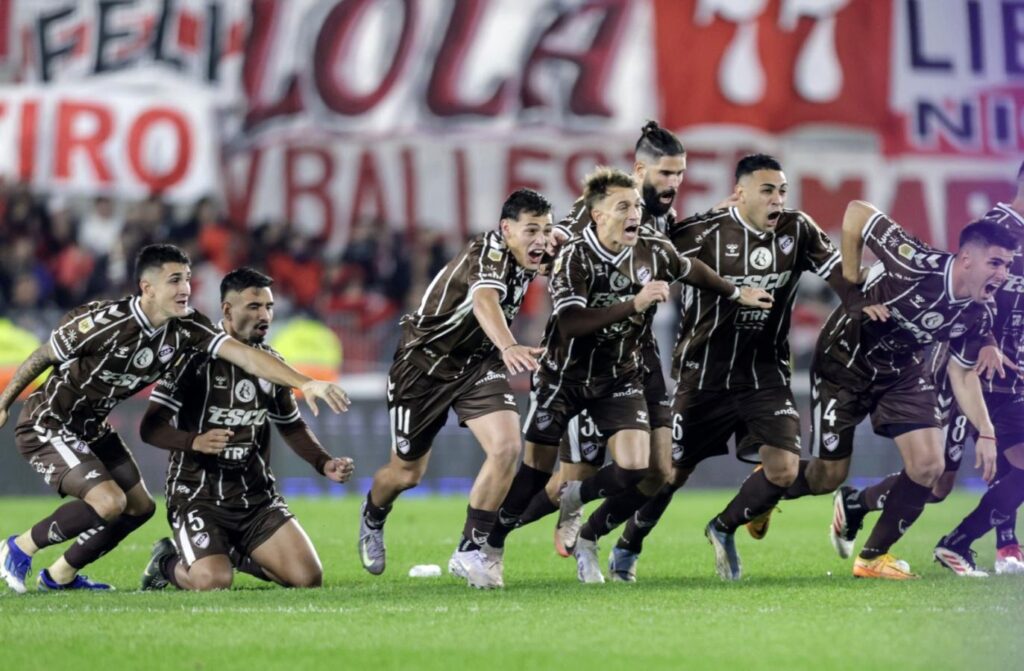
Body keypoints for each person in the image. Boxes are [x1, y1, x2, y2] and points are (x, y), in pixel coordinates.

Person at [0, 245, 349, 593]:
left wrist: (305, 383)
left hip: (94, 427)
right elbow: (43, 355)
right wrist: (4, 403)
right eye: (175, 280)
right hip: (50, 422)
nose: (185, 288)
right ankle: (18, 547)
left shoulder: (187, 328)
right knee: (110, 502)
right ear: (148, 288)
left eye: (187, 279)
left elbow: (245, 357)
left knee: (139, 508)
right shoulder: (108, 323)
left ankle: (60, 575)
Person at [485, 167, 772, 583]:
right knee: (535, 474)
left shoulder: (652, 248)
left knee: (640, 468)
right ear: (598, 215)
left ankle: (583, 516)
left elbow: (689, 268)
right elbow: (570, 322)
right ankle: (488, 545)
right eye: (624, 206)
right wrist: (634, 305)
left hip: (620, 375)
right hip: (565, 377)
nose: (635, 213)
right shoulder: (574, 256)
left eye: (636, 205)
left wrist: (735, 292)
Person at [607, 154, 864, 580]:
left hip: (765, 374)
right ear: (740, 193)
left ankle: (723, 527)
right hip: (703, 374)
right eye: (767, 190)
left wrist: (863, 300)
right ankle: (628, 545)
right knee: (671, 474)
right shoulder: (701, 232)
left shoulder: (797, 229)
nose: (777, 199)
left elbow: (840, 277)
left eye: (782, 191)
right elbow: (644, 253)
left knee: (783, 468)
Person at [773, 200, 1017, 579]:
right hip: (846, 361)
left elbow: (963, 374)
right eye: (996, 263)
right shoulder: (915, 261)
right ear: (967, 259)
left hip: (901, 372)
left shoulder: (979, 311)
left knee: (931, 470)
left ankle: (871, 556)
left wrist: (985, 431)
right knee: (827, 476)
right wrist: (851, 284)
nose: (1003, 275)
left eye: (1008, 266)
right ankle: (769, 485)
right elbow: (856, 211)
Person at [510, 121, 686, 570]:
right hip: (591, 356)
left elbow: (677, 259)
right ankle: (485, 539)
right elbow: (556, 253)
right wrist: (552, 245)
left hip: (640, 353)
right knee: (575, 474)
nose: (674, 184)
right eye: (666, 174)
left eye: (680, 174)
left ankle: (590, 536)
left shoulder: (661, 218)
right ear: (640, 170)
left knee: (659, 472)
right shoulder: (599, 209)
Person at [831, 168, 1024, 577]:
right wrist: (987, 340)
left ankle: (974, 543)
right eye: (998, 264)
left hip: (999, 374)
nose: (1002, 270)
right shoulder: (997, 231)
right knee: (936, 480)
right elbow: (969, 297)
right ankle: (864, 511)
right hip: (961, 368)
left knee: (973, 475)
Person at [357, 189, 553, 589]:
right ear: (506, 229)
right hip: (423, 367)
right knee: (406, 473)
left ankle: (469, 549)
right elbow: (484, 301)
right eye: (531, 230)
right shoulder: (488, 253)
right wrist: (509, 345)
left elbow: (569, 235)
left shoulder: (534, 249)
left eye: (546, 230)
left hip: (476, 364)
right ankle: (373, 514)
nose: (541, 239)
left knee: (507, 447)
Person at [138, 267, 355, 590]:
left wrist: (323, 462)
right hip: (198, 495)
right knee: (213, 582)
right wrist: (194, 441)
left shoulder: (272, 365)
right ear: (227, 310)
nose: (264, 315)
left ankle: (231, 550)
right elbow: (150, 428)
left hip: (256, 497)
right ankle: (165, 562)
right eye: (254, 307)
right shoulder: (192, 359)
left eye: (268, 307)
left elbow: (291, 426)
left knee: (308, 579)